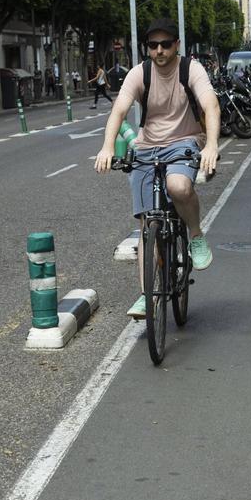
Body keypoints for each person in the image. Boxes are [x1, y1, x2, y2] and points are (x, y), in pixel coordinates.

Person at [94, 18, 221, 319]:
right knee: (146, 223)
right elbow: (119, 110)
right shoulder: (140, 74)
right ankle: (146, 295)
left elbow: (211, 105)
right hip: (147, 147)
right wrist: (108, 147)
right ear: (147, 48)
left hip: (184, 141)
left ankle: (195, 235)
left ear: (177, 45)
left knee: (178, 187)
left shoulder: (192, 69)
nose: (160, 50)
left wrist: (212, 145)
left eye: (166, 44)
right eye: (153, 45)